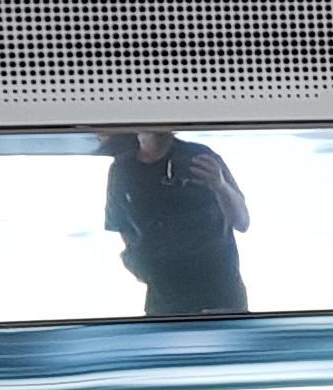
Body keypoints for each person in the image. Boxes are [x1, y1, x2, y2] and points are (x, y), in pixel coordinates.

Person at [102, 130, 252, 315]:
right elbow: (122, 225)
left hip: (220, 295)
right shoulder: (122, 169)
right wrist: (141, 263)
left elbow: (242, 221)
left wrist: (220, 185)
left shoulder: (200, 157)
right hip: (164, 299)